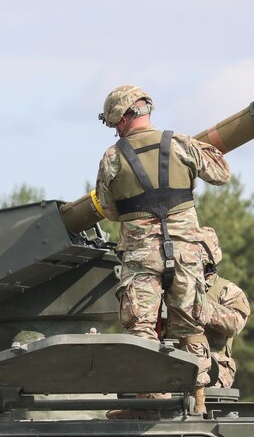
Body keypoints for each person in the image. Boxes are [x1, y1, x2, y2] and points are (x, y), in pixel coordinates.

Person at [93, 85, 230, 413]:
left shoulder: (113, 157)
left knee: (142, 330)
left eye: (115, 124)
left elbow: (109, 210)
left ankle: (151, 405)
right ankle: (197, 405)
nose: (116, 130)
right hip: (185, 256)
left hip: (141, 259)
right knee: (191, 327)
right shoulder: (181, 143)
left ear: (123, 118)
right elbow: (221, 174)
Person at [195, 227, 250, 389]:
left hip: (214, 365)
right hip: (174, 363)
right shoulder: (170, 288)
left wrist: (199, 305)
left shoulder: (226, 290)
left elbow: (235, 323)